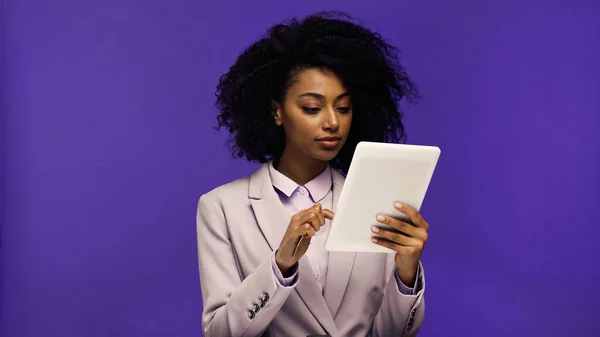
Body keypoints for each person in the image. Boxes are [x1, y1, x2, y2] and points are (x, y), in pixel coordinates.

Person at [196, 11, 429, 337]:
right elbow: (220, 333)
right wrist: (280, 266)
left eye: (344, 107)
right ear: (277, 111)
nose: (333, 122)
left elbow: (392, 333)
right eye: (312, 108)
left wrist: (406, 274)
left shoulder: (374, 200)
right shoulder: (222, 207)